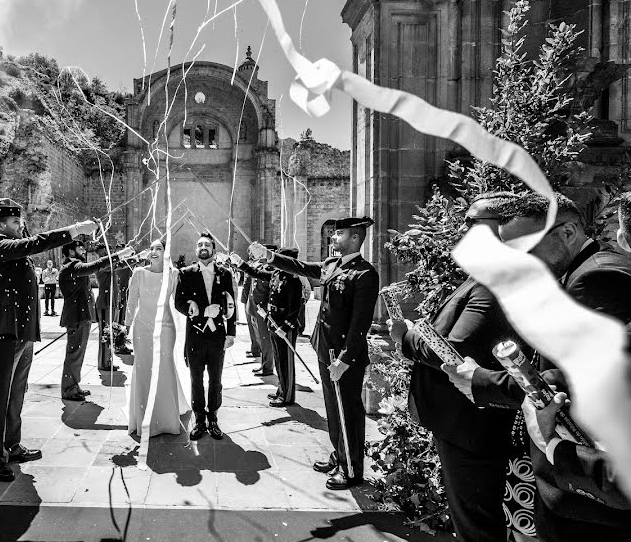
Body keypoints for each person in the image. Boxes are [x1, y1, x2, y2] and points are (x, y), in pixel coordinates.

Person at [461, 193, 631, 541]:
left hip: (591, 501)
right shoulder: (580, 272)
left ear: (568, 232)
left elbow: (577, 378)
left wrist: (481, 381)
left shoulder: (596, 278)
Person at [389, 193, 521, 542]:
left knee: (476, 526)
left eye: (474, 224)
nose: (465, 233)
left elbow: (454, 351)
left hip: (470, 426)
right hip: (461, 423)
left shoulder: (494, 282)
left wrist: (407, 337)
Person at [251, 217, 379, 490]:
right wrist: (269, 257)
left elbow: (360, 324)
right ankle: (339, 454)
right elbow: (299, 266)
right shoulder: (332, 265)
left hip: (343, 358)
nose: (333, 239)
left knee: (348, 412)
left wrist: (344, 360)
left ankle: (352, 469)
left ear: (355, 239)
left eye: (339, 234)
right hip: (326, 349)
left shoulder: (365, 274)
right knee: (333, 410)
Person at [0, 199, 96, 483]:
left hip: (20, 333)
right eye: (16, 223)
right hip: (1, 332)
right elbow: (33, 244)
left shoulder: (13, 247)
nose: (21, 227)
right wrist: (74, 230)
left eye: (20, 222)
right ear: (0, 225)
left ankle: (12, 445)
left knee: (16, 393)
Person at [173, 232, 236, 440]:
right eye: (199, 244)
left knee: (216, 379)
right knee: (196, 379)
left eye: (207, 244)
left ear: (213, 250)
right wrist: (198, 310)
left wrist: (231, 333)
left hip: (218, 335)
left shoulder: (225, 273)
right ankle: (199, 419)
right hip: (196, 335)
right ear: (196, 250)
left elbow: (231, 305)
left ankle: (213, 418)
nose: (203, 247)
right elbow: (178, 303)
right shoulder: (186, 273)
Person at [124, 239, 189, 437]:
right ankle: (144, 419)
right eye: (151, 248)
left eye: (158, 248)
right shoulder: (138, 274)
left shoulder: (174, 274)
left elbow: (180, 301)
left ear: (165, 252)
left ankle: (167, 420)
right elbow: (131, 301)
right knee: (144, 368)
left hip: (166, 327)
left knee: (165, 367)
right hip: (142, 328)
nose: (153, 251)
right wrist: (124, 328)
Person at [59, 240, 134, 399]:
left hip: (82, 315)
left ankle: (74, 385)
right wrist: (120, 254)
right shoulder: (71, 266)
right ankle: (68, 389)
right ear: (71, 252)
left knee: (78, 354)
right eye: (79, 247)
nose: (83, 250)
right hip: (76, 316)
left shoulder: (75, 266)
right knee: (74, 354)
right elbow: (95, 266)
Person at [232, 247, 302, 406]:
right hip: (274, 322)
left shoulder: (293, 280)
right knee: (278, 359)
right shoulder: (277, 274)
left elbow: (295, 308)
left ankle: (287, 396)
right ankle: (281, 389)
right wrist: (241, 264)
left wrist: (285, 327)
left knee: (286, 362)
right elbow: (256, 273)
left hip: (285, 327)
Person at [243, 245, 274, 376]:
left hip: (263, 310)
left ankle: (268, 367)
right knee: (261, 338)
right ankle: (264, 363)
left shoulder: (269, 269)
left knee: (266, 340)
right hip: (256, 309)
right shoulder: (258, 267)